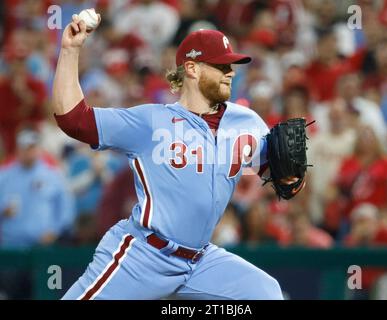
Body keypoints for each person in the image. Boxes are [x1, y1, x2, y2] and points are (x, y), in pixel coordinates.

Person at [53, 12, 300, 300]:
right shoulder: (151, 122)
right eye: (221, 65)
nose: (230, 71)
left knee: (265, 293)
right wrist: (71, 51)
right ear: (192, 69)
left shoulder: (247, 122)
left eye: (231, 65)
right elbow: (73, 119)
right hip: (145, 254)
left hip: (201, 261)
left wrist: (292, 176)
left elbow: (284, 178)